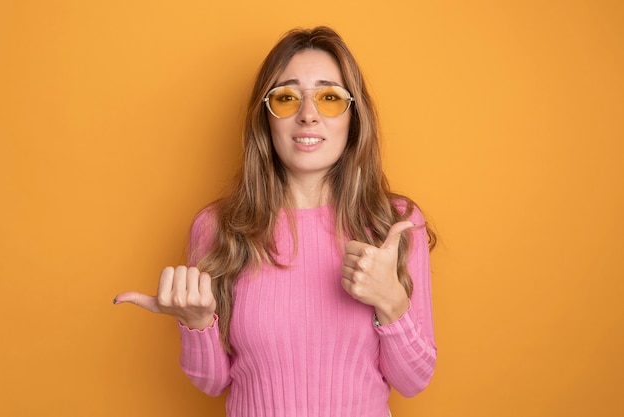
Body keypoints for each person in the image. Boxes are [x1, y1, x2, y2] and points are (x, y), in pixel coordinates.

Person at [114, 26, 437, 417]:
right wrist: (197, 322)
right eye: (286, 98)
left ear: (355, 116)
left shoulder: (393, 224)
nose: (308, 115)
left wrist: (391, 300)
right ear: (265, 118)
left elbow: (413, 381)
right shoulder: (218, 227)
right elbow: (213, 382)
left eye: (330, 97)